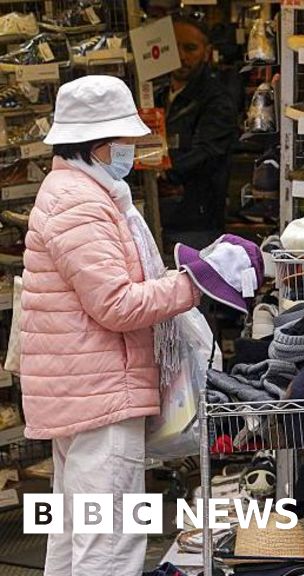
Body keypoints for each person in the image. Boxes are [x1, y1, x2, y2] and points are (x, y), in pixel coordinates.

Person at [21, 76, 201, 574]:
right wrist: (194, 285)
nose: (131, 151)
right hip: (101, 390)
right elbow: (117, 304)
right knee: (111, 539)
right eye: (125, 140)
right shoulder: (81, 202)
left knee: (76, 532)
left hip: (84, 387)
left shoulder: (77, 192)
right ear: (97, 143)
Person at [159, 15, 236, 247]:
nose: (181, 56)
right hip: (160, 213)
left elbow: (208, 151)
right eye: (173, 48)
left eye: (190, 48)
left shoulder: (217, 99)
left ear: (206, 51)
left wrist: (165, 173)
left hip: (197, 223)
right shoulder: (156, 95)